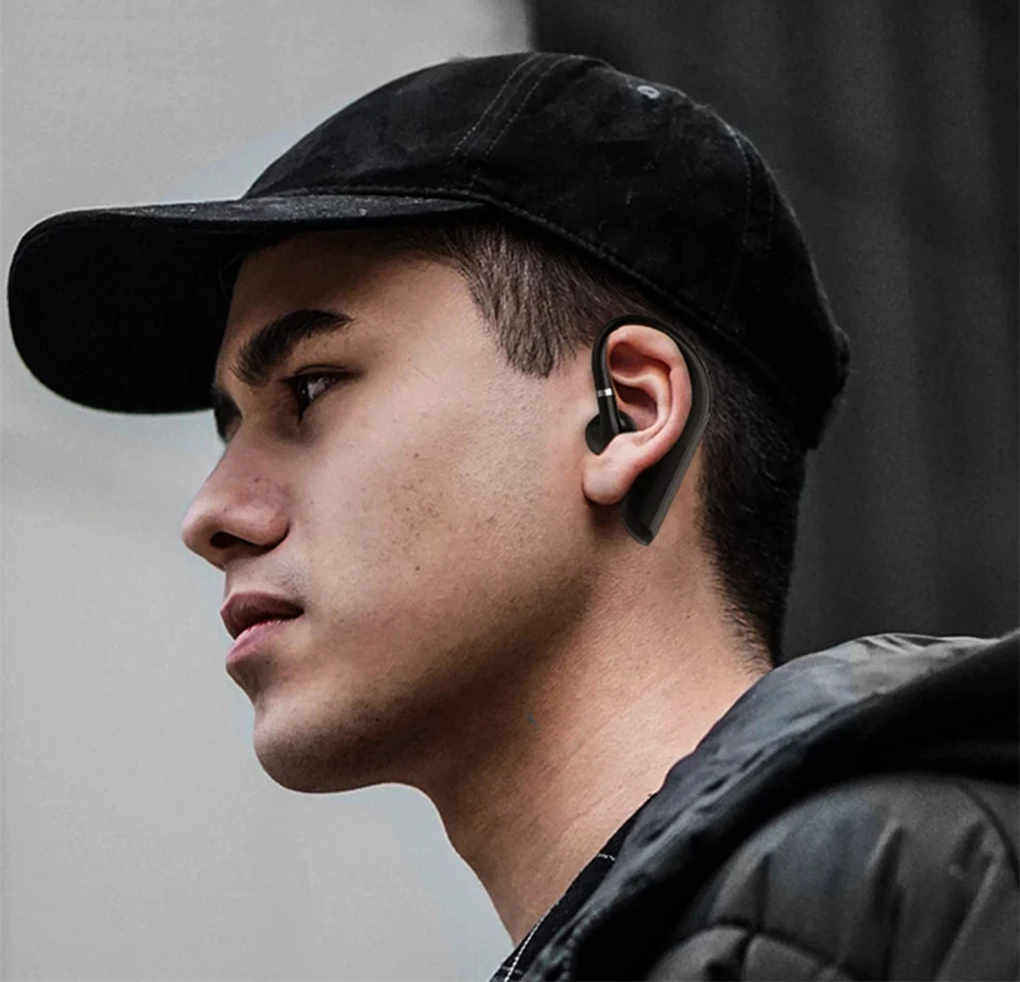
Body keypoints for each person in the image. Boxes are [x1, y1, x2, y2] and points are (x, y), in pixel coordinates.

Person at [8, 52, 1018, 981]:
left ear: (626, 413)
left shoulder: (922, 893)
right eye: (229, 426)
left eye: (310, 389)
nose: (212, 514)